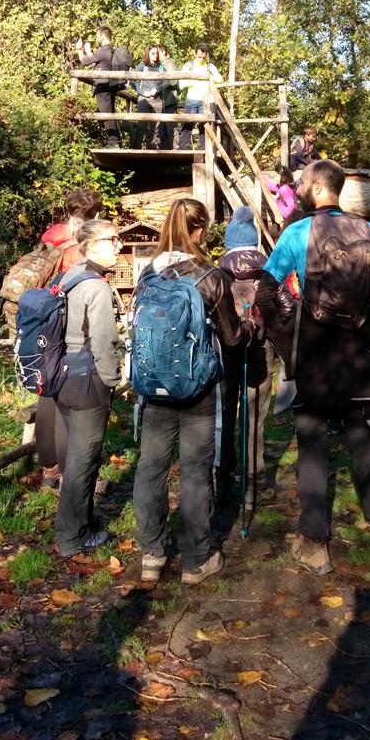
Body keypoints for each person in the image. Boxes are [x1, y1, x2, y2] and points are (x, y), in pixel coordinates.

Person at [256, 160, 370, 575]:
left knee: (313, 445)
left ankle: (315, 544)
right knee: (362, 437)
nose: (296, 187)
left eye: (301, 182)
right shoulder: (368, 231)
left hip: (316, 355)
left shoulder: (297, 232)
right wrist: (366, 329)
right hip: (357, 356)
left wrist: (288, 332)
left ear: (317, 187)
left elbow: (266, 291)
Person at [132, 198, 245, 585]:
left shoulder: (148, 273)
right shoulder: (210, 277)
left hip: (152, 386)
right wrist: (250, 330)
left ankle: (152, 553)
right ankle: (197, 559)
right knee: (196, 471)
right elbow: (231, 337)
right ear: (200, 230)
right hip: (197, 389)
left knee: (151, 468)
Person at [54, 219, 124, 558]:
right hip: (88, 382)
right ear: (93, 245)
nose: (119, 246)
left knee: (75, 458)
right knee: (83, 461)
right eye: (113, 240)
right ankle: (72, 537)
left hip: (62, 377)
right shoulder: (95, 286)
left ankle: (81, 524)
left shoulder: (69, 276)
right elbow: (104, 340)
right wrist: (114, 379)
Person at [36, 189, 104, 490]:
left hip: (44, 322)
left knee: (47, 390)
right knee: (68, 397)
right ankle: (68, 470)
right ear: (94, 213)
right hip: (72, 326)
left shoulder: (52, 235)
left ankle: (48, 468)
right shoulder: (84, 244)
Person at [216, 207, 277, 509]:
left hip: (227, 348)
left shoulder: (217, 270)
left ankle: (223, 475)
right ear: (254, 241)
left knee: (226, 410)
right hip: (259, 348)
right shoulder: (269, 268)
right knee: (255, 414)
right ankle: (254, 480)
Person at [74, 27, 131, 148]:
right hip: (110, 86)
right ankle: (116, 142)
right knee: (110, 114)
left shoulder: (103, 50)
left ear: (102, 37)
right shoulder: (111, 50)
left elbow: (84, 62)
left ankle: (113, 143)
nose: (96, 38)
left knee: (106, 115)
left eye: (97, 36)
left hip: (103, 87)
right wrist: (89, 52)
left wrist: (79, 49)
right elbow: (100, 63)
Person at [178, 45, 223, 149]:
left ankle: (203, 147)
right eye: (199, 57)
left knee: (204, 124)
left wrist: (208, 77)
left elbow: (220, 79)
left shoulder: (209, 67)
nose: (201, 59)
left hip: (205, 101)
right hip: (191, 99)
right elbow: (181, 83)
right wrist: (196, 78)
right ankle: (183, 147)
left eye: (204, 57)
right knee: (188, 123)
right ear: (195, 54)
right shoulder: (189, 66)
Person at [133, 44, 166, 149]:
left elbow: (167, 82)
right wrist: (142, 91)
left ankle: (152, 149)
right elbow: (131, 80)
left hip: (157, 99)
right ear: (148, 53)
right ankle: (136, 149)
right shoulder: (142, 66)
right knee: (141, 125)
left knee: (156, 126)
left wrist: (158, 90)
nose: (155, 55)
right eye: (153, 53)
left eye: (157, 53)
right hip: (144, 99)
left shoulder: (161, 67)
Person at [157, 44, 179, 150]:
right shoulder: (161, 65)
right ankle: (165, 148)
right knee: (163, 126)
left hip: (169, 99)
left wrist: (159, 88)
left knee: (171, 125)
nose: (156, 55)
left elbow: (173, 80)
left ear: (164, 52)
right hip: (164, 100)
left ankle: (175, 148)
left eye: (158, 53)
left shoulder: (169, 63)